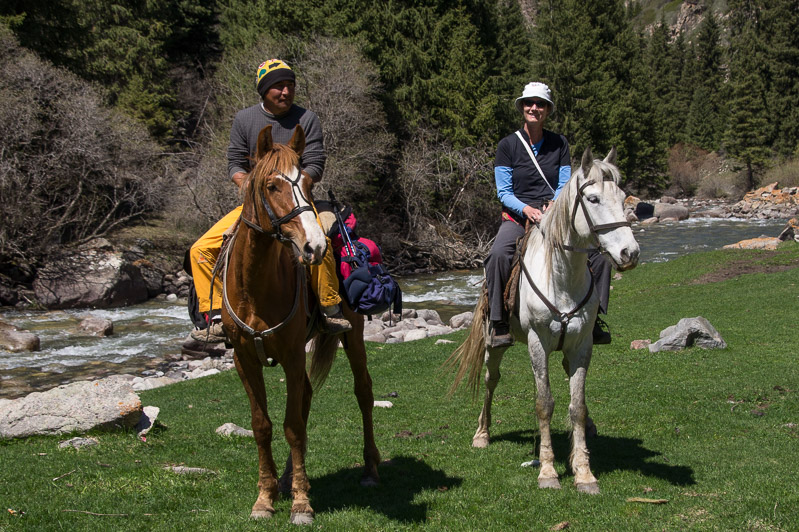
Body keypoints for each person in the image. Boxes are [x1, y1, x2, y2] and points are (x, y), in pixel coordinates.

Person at [189, 59, 352, 343]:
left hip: (298, 201)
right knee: (200, 250)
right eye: (278, 86)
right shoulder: (245, 119)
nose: (285, 91)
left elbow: (315, 162)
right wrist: (255, 187)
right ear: (264, 91)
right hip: (257, 203)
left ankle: (329, 308)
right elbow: (235, 163)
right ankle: (215, 315)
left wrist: (294, 186)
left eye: (289, 85)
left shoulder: (307, 119)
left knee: (319, 241)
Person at [484, 81, 612, 348]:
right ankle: (499, 322)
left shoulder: (559, 143)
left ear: (547, 110)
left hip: (554, 214)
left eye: (540, 104)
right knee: (498, 255)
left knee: (600, 258)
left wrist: (554, 204)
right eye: (529, 103)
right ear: (522, 107)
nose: (534, 108)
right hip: (518, 217)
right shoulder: (507, 145)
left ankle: (595, 319)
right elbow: (504, 191)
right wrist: (526, 209)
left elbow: (565, 182)